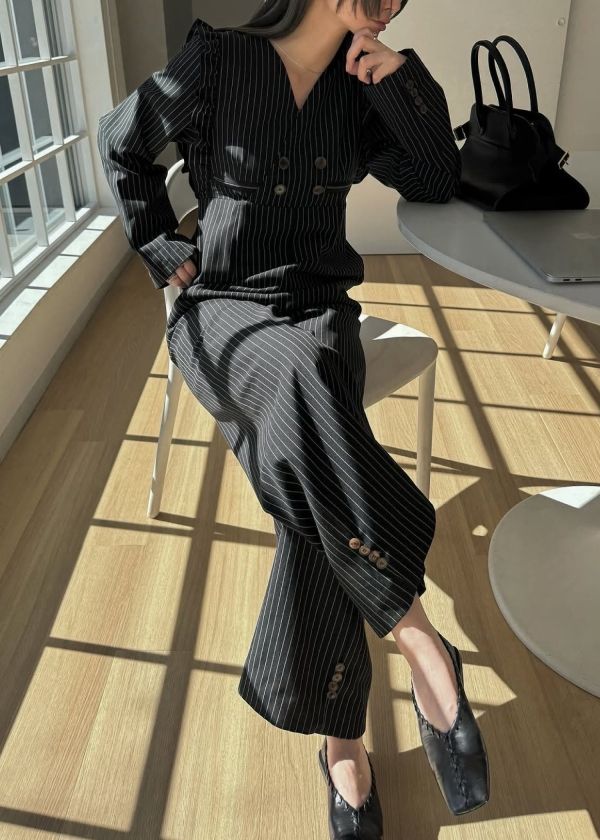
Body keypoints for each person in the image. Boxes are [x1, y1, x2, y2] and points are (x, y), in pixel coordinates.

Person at [97, 0, 490, 834]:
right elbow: (121, 141)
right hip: (222, 311)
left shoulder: (362, 86)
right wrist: (160, 244)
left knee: (308, 437)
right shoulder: (218, 60)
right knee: (308, 400)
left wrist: (402, 81)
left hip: (316, 314)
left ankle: (343, 742)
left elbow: (434, 179)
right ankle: (418, 635)